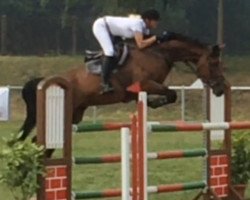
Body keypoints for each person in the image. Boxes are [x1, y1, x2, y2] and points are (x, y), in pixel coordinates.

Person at [92, 9, 161, 94]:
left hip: (113, 32)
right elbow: (141, 45)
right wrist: (155, 38)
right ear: (147, 20)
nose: (157, 23)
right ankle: (104, 83)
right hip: (102, 26)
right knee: (110, 52)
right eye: (155, 20)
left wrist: (160, 39)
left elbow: (146, 43)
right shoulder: (138, 24)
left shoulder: (145, 29)